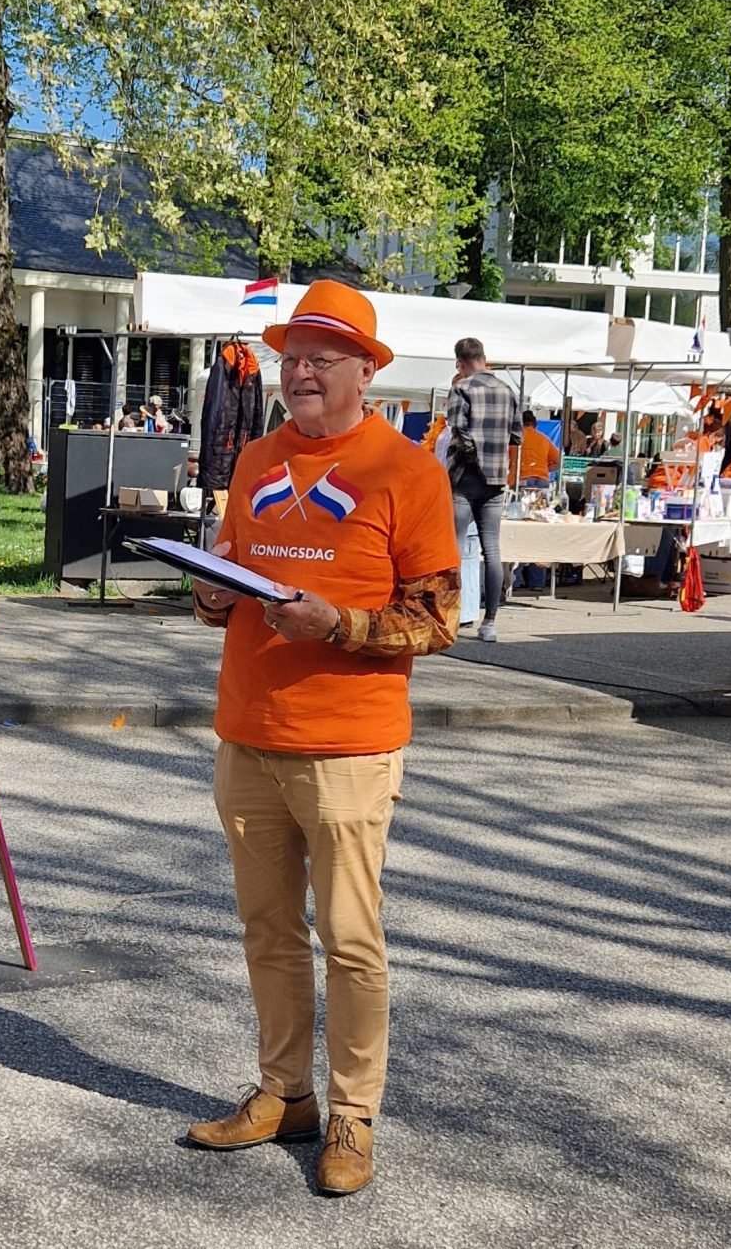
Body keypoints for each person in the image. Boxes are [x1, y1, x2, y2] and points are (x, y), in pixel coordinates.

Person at [186, 279, 460, 1197]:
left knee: (349, 939)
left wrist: (338, 625)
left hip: (348, 745)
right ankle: (283, 1094)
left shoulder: (405, 470)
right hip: (248, 731)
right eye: (290, 356)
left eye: (320, 357)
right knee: (267, 931)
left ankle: (352, 1112)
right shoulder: (256, 457)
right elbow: (221, 574)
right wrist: (210, 592)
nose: (298, 371)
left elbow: (436, 619)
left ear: (363, 370)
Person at [446, 336, 521, 644]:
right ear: (484, 357)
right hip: (496, 479)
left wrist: (473, 454)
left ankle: (448, 616)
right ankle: (490, 621)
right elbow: (516, 435)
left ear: (460, 362)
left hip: (465, 476)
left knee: (454, 549)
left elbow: (457, 429)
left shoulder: (462, 388)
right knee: (492, 550)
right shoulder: (508, 391)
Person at [508, 409, 560, 489]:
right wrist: (544, 468)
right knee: (539, 502)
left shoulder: (514, 438)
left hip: (519, 478)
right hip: (541, 480)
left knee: (516, 501)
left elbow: (504, 460)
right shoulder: (544, 439)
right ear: (535, 424)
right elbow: (559, 462)